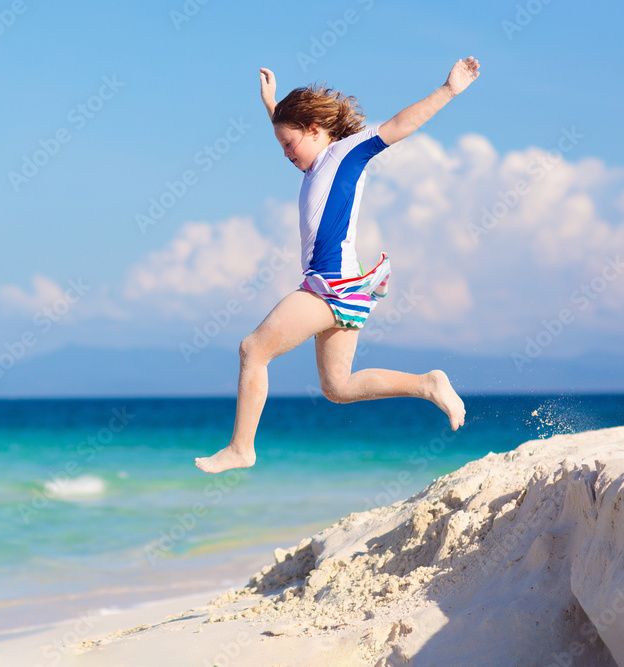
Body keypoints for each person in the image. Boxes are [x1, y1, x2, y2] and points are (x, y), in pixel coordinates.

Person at [195, 57, 480, 474]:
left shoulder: (346, 152)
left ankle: (242, 448)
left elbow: (400, 125)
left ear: (315, 131)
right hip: (341, 287)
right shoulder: (313, 160)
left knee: (252, 349)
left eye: (289, 145)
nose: (286, 155)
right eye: (281, 147)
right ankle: (427, 383)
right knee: (337, 387)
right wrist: (272, 103)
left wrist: (449, 89)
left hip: (331, 284)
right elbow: (292, 126)